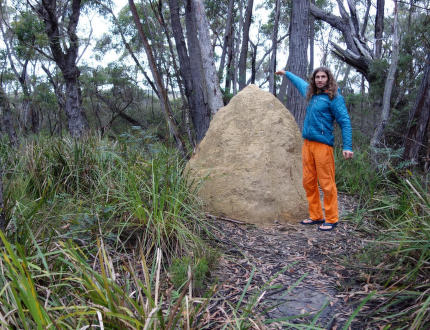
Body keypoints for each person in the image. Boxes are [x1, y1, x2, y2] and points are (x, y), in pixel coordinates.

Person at [275, 67, 353, 231]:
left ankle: (331, 219)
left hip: (323, 145)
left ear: (328, 78)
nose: (319, 79)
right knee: (308, 182)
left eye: (323, 77)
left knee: (326, 182)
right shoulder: (312, 94)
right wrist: (287, 73)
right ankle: (316, 215)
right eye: (317, 77)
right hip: (308, 144)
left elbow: (345, 121)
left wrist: (347, 146)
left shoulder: (335, 98)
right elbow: (300, 83)